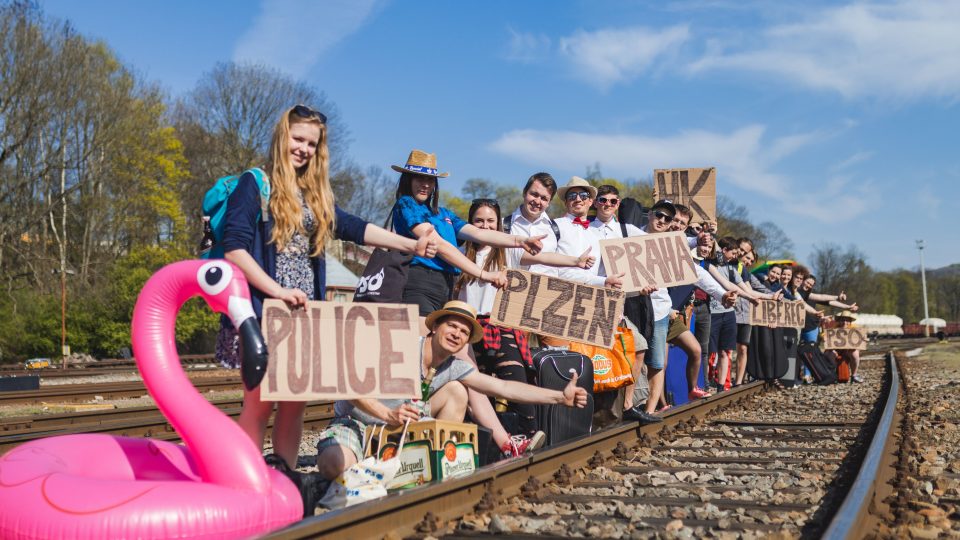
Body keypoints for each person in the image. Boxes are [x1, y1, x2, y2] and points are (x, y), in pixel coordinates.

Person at [221, 105, 438, 469]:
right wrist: (276, 290)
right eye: (298, 139)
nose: (303, 148)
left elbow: (353, 227)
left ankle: (286, 484)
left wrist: (409, 244)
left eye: (312, 143)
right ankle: (247, 483)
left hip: (305, 314)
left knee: (293, 409)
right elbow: (235, 249)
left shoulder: (315, 194)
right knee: (258, 404)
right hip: (265, 311)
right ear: (282, 137)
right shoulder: (256, 183)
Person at [315, 300, 589, 481]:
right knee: (333, 465)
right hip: (359, 423)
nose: (457, 334)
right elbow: (348, 384)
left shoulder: (453, 366)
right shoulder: (400, 345)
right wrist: (387, 414)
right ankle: (375, 465)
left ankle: (433, 464)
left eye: (464, 332)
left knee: (457, 390)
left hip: (404, 429)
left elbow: (502, 386)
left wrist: (558, 397)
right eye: (452, 326)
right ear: (435, 327)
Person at [455, 198, 594, 453]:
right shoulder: (461, 253)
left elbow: (543, 257)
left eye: (490, 221)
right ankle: (490, 444)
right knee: (478, 388)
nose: (484, 226)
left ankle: (530, 434)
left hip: (499, 325)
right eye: (478, 221)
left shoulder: (507, 251)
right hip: (468, 328)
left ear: (499, 225)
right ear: (470, 223)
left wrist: (575, 261)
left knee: (514, 375)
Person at [390, 149, 542, 321]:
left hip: (445, 286)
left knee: (436, 344)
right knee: (421, 340)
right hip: (419, 281)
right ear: (408, 180)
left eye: (430, 179)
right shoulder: (406, 204)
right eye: (419, 178)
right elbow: (440, 246)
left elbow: (478, 233)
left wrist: (520, 240)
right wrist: (483, 274)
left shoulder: (443, 214)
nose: (425, 184)